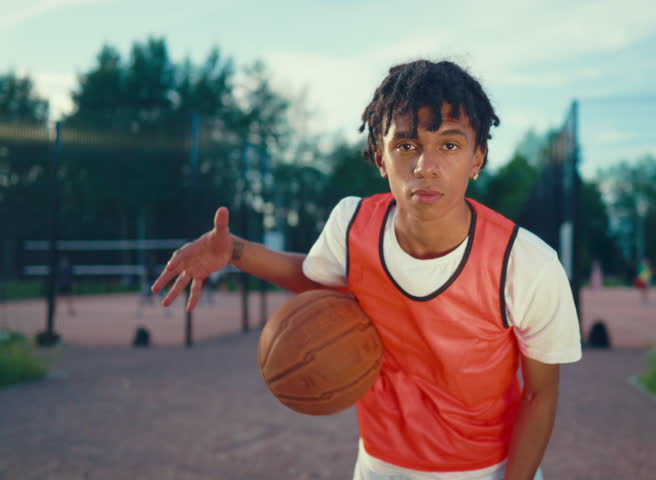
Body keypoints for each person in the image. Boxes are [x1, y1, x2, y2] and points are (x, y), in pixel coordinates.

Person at [152, 59, 582, 480]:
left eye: (449, 145)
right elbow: (314, 280)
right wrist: (236, 252)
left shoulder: (525, 263)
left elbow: (541, 393)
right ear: (380, 157)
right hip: (380, 464)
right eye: (406, 145)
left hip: (487, 469)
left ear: (477, 158)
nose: (425, 166)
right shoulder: (353, 225)